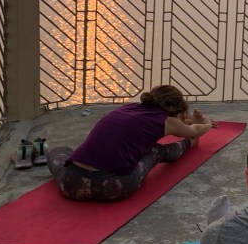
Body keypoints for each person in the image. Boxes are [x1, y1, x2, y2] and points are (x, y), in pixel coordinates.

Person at [46, 84, 217, 201]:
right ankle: (188, 145)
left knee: (60, 151)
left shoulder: (126, 109)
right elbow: (194, 131)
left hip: (72, 185)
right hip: (114, 187)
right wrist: (207, 123)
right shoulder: (166, 120)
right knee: (155, 151)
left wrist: (187, 121)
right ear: (176, 109)